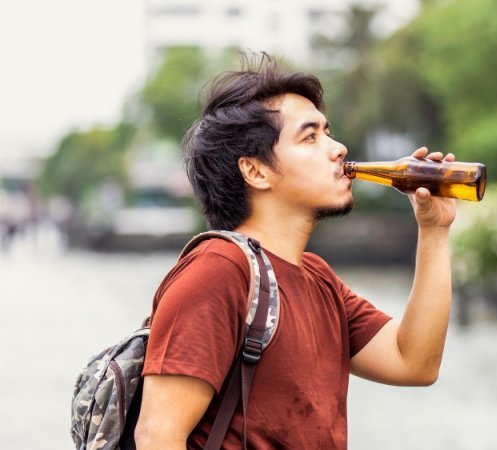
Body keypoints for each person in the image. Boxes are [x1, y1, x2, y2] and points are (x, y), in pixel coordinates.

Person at [134, 53, 457, 449]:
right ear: (256, 171)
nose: (338, 149)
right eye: (310, 137)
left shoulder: (317, 277)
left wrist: (435, 230)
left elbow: (414, 362)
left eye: (328, 131)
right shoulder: (218, 271)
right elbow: (157, 436)